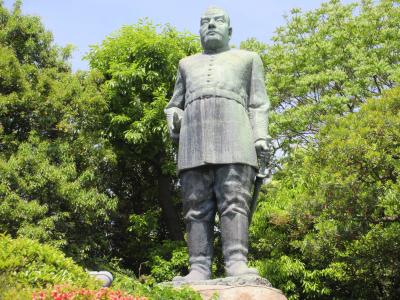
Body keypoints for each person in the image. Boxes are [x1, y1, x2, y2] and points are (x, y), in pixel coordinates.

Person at [165, 6, 269, 281]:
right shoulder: (186, 64)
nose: (211, 25)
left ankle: (236, 262)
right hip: (193, 141)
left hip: (236, 137)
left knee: (235, 201)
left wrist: (260, 136)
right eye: (204, 22)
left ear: (229, 30)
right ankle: (198, 267)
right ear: (199, 30)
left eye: (217, 21)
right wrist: (173, 117)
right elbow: (175, 105)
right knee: (195, 205)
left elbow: (258, 103)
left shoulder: (248, 59)